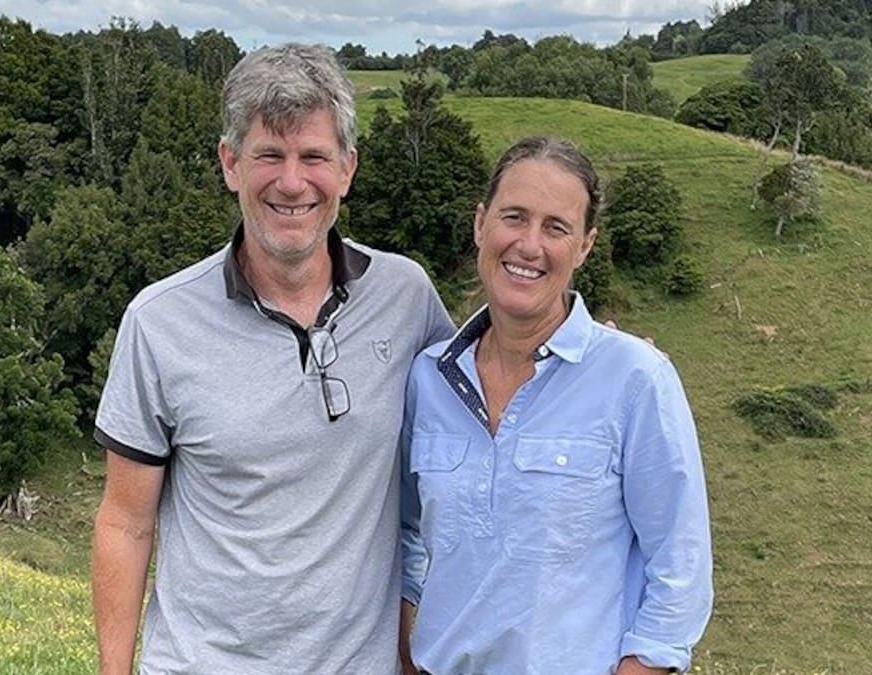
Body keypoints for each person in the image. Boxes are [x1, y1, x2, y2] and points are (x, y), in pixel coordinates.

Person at [91, 43, 455, 675]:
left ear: (347, 168)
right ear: (230, 164)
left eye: (314, 156)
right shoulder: (159, 321)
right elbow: (125, 524)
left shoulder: (407, 298)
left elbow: (492, 396)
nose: (292, 182)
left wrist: (606, 364)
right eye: (269, 155)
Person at [399, 137, 713, 675]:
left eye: (556, 228)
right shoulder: (429, 378)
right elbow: (404, 537)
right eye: (514, 217)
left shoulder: (636, 378)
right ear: (480, 224)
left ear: (585, 247)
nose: (529, 245)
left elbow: (679, 568)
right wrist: (408, 659)